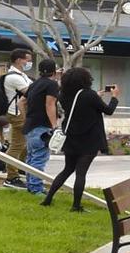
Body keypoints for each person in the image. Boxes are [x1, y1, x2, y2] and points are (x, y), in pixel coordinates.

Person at [40, 67, 116, 212]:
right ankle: (76, 206)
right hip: (89, 140)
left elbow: (80, 103)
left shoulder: (63, 95)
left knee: (67, 169)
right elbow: (109, 110)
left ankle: (48, 198)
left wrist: (96, 96)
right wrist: (115, 97)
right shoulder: (90, 95)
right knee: (81, 173)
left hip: (71, 138)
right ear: (86, 79)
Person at [0, 48, 33, 189]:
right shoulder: (14, 77)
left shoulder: (22, 75)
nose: (29, 62)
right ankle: (11, 177)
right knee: (17, 145)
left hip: (21, 113)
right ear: (19, 60)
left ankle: (21, 170)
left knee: (25, 144)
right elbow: (31, 92)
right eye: (27, 59)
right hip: (17, 114)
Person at [21, 59, 62, 194]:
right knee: (39, 158)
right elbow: (49, 104)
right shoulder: (52, 85)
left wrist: (26, 117)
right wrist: (54, 124)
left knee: (31, 157)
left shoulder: (34, 84)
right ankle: (36, 188)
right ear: (54, 71)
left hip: (30, 125)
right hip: (42, 125)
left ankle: (30, 185)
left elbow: (21, 103)